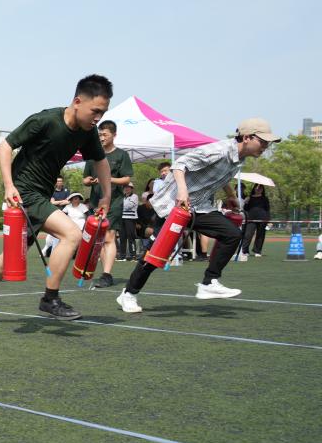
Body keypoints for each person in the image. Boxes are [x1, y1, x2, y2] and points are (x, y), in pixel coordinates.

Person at [0, 74, 114, 325]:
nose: (98, 118)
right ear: (77, 102)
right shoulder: (45, 120)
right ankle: (50, 298)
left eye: (102, 113)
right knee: (71, 235)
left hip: (40, 196)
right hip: (24, 193)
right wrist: (9, 186)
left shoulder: (87, 132)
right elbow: (5, 146)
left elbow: (101, 161)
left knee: (11, 258)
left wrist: (106, 195)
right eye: (95, 111)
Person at [116, 118, 280, 313]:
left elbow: (220, 177)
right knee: (155, 255)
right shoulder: (219, 150)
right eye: (263, 141)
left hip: (199, 207)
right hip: (174, 207)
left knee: (232, 234)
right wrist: (182, 191)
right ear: (247, 138)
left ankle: (209, 282)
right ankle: (129, 294)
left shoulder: (239, 158)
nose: (266, 146)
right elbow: (179, 165)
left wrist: (230, 196)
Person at [83, 120, 132, 287]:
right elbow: (85, 179)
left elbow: (126, 179)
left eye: (105, 134)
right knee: (99, 239)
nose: (102, 138)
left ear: (114, 135)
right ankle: (105, 274)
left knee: (109, 237)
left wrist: (108, 179)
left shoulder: (121, 155)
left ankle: (107, 274)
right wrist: (88, 181)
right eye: (100, 135)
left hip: (114, 202)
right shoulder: (93, 155)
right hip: (95, 203)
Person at [240, 183, 270, 259]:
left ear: (262, 190)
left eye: (260, 188)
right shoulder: (249, 198)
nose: (258, 189)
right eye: (257, 188)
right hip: (251, 219)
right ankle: (245, 251)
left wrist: (268, 220)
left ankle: (257, 251)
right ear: (254, 188)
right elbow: (246, 208)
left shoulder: (265, 198)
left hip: (262, 219)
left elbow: (267, 209)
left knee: (260, 235)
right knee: (247, 235)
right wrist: (246, 202)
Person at [121, 183, 139, 260]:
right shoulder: (122, 197)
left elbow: (129, 206)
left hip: (131, 219)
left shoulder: (134, 196)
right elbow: (122, 205)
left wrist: (121, 205)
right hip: (122, 218)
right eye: (125, 187)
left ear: (132, 189)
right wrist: (122, 205)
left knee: (131, 237)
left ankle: (133, 255)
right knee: (122, 237)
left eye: (128, 187)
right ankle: (122, 256)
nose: (126, 189)